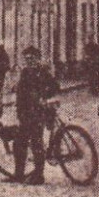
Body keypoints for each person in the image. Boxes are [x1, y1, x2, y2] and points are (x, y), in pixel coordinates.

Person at [11, 47, 58, 184]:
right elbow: (21, 94)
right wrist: (19, 112)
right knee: (19, 143)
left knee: (36, 143)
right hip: (26, 113)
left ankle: (39, 175)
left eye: (32, 58)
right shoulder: (25, 72)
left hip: (39, 113)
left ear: (38, 59)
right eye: (26, 58)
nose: (29, 61)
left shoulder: (43, 72)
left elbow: (55, 87)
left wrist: (44, 96)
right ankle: (18, 174)